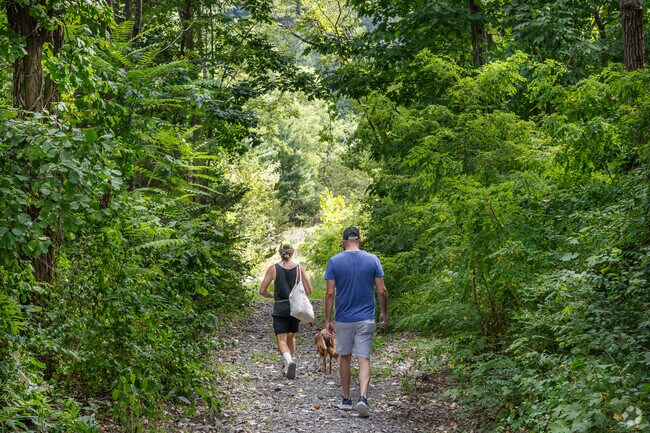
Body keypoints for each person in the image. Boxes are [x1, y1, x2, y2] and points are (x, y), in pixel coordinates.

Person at [324, 226, 388, 418]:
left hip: (343, 318)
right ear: (359, 240)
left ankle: (345, 400)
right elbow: (382, 290)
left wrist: (327, 320)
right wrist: (384, 312)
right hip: (366, 317)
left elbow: (329, 293)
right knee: (364, 358)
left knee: (344, 356)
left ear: (344, 241)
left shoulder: (334, 261)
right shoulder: (373, 259)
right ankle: (363, 397)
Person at [259, 240, 313, 379]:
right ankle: (290, 363)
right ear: (292, 252)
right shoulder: (300, 268)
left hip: (280, 307)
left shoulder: (273, 268)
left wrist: (273, 295)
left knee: (281, 340)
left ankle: (288, 362)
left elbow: (262, 291)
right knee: (291, 336)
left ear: (280, 252)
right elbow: (309, 290)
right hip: (295, 308)